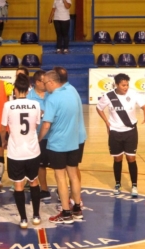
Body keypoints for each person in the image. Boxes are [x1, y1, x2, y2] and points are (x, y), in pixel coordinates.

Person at [96, 73, 145, 197]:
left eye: (127, 85)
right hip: (115, 132)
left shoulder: (133, 94)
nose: (125, 87)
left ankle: (134, 185)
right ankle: (117, 183)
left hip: (131, 132)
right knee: (117, 158)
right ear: (116, 85)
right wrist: (106, 122)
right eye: (123, 85)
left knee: (131, 158)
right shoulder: (108, 96)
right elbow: (99, 108)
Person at [38, 70, 82, 224]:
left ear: (51, 82)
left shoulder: (52, 98)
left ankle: (66, 212)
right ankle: (77, 208)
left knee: (60, 178)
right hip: (74, 141)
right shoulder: (72, 91)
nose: (44, 87)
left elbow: (46, 124)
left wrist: (38, 139)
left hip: (57, 144)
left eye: (44, 83)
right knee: (74, 176)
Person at [0, 73, 42, 229]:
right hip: (32, 150)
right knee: (34, 181)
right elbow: (36, 125)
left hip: (15, 152)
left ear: (16, 89)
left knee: (18, 185)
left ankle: (23, 219)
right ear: (28, 88)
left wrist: (4, 141)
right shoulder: (36, 105)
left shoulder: (8, 105)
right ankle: (36, 216)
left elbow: (3, 128)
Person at [53, 66, 86, 209]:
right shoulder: (71, 89)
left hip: (71, 137)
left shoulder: (63, 93)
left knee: (67, 172)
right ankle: (76, 199)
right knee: (73, 170)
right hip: (77, 135)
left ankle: (72, 199)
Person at [27, 70, 51, 200]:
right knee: (41, 165)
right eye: (44, 81)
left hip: (54, 135)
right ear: (37, 82)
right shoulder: (29, 98)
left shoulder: (51, 93)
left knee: (60, 165)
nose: (47, 83)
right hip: (38, 136)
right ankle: (44, 190)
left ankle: (61, 190)